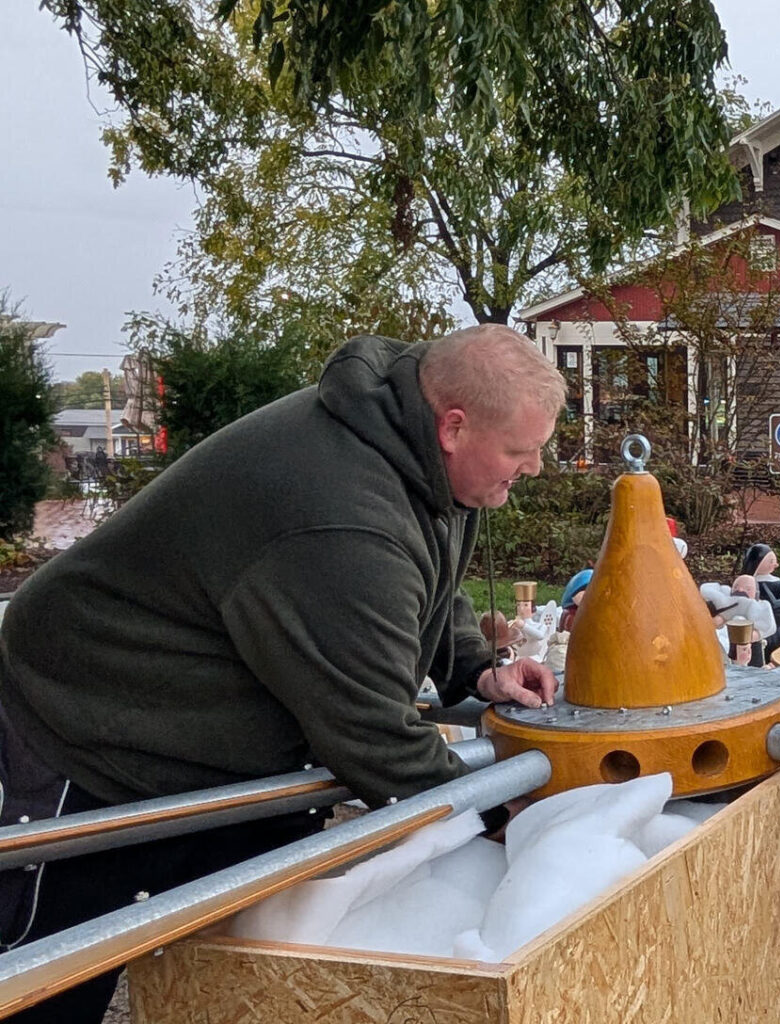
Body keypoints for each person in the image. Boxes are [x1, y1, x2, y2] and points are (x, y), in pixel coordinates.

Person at [0, 325, 565, 1023]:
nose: (534, 467)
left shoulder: (407, 448)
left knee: (256, 970)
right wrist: (507, 811)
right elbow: (370, 737)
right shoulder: (340, 516)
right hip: (87, 716)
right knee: (48, 973)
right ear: (453, 426)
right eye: (520, 450)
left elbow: (425, 578)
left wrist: (477, 672)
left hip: (218, 739)